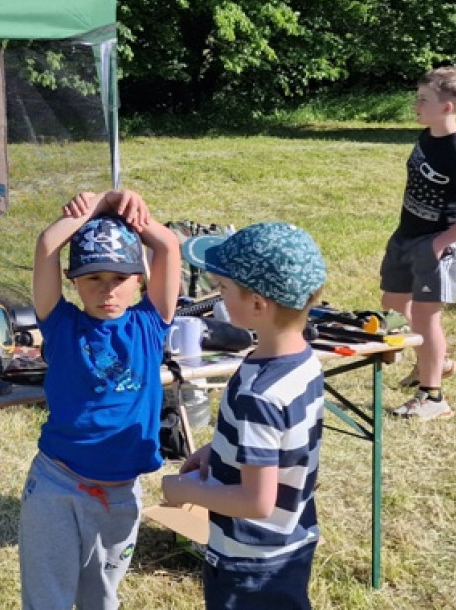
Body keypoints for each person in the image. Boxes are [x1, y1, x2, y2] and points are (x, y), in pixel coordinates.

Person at [20, 188, 181, 610]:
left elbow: (168, 245)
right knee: (47, 600)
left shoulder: (150, 323)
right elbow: (46, 246)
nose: (107, 290)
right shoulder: (60, 323)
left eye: (119, 279)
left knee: (101, 599)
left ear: (140, 281)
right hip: (57, 484)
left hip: (121, 492)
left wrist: (124, 204)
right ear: (74, 282)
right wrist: (92, 207)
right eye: (93, 278)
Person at [160, 222, 327, 610]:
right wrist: (219, 450)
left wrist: (184, 491)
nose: (217, 298)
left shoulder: (260, 394)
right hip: (290, 542)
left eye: (223, 290)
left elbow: (257, 501)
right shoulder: (302, 363)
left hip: (249, 561)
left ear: (256, 304)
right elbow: (280, 446)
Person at [380, 65, 456, 420]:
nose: (416, 105)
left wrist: (441, 243)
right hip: (406, 236)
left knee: (427, 317)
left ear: (447, 107)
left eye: (423, 100)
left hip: (436, 243)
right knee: (394, 304)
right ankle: (435, 363)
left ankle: (433, 399)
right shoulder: (428, 136)